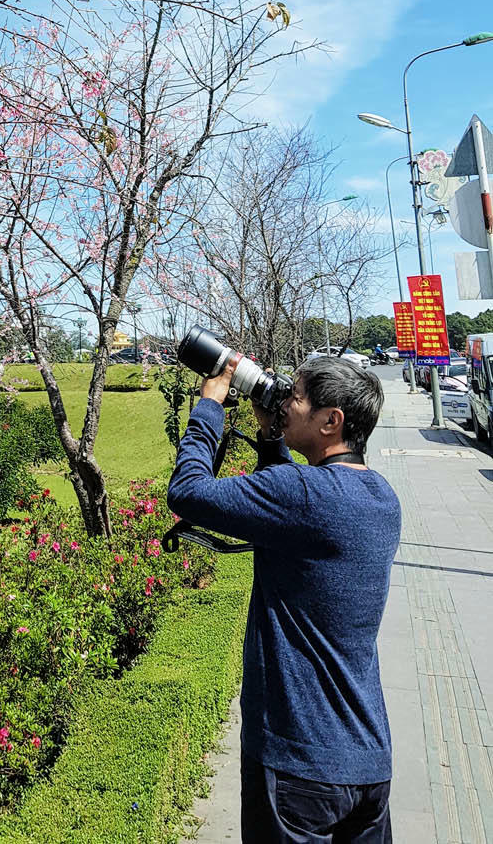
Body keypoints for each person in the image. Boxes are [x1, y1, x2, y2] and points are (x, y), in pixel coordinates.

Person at [167, 357, 401, 844]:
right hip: (366, 761)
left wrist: (209, 406)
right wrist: (272, 435)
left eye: (295, 397)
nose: (285, 402)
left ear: (330, 420)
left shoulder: (302, 493)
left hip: (298, 768)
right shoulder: (381, 497)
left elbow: (188, 492)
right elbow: (296, 512)